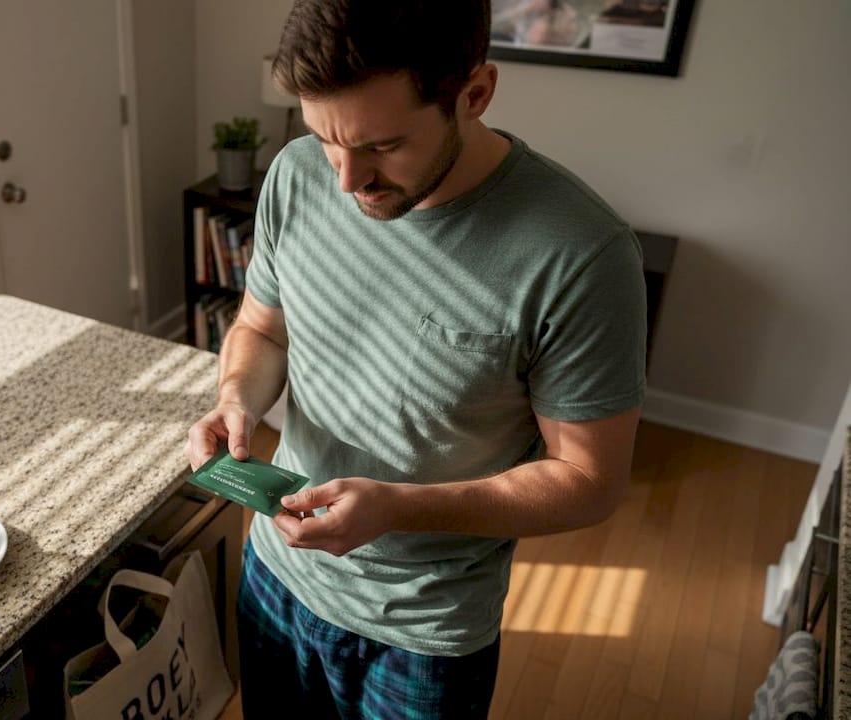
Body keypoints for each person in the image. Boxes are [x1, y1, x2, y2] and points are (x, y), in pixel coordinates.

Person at [185, 0, 648, 717]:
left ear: (475, 94)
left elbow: (588, 479)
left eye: (382, 146)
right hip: (277, 574)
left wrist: (399, 508)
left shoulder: (581, 254)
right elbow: (262, 330)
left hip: (423, 633)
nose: (345, 179)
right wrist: (237, 397)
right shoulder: (297, 175)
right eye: (324, 139)